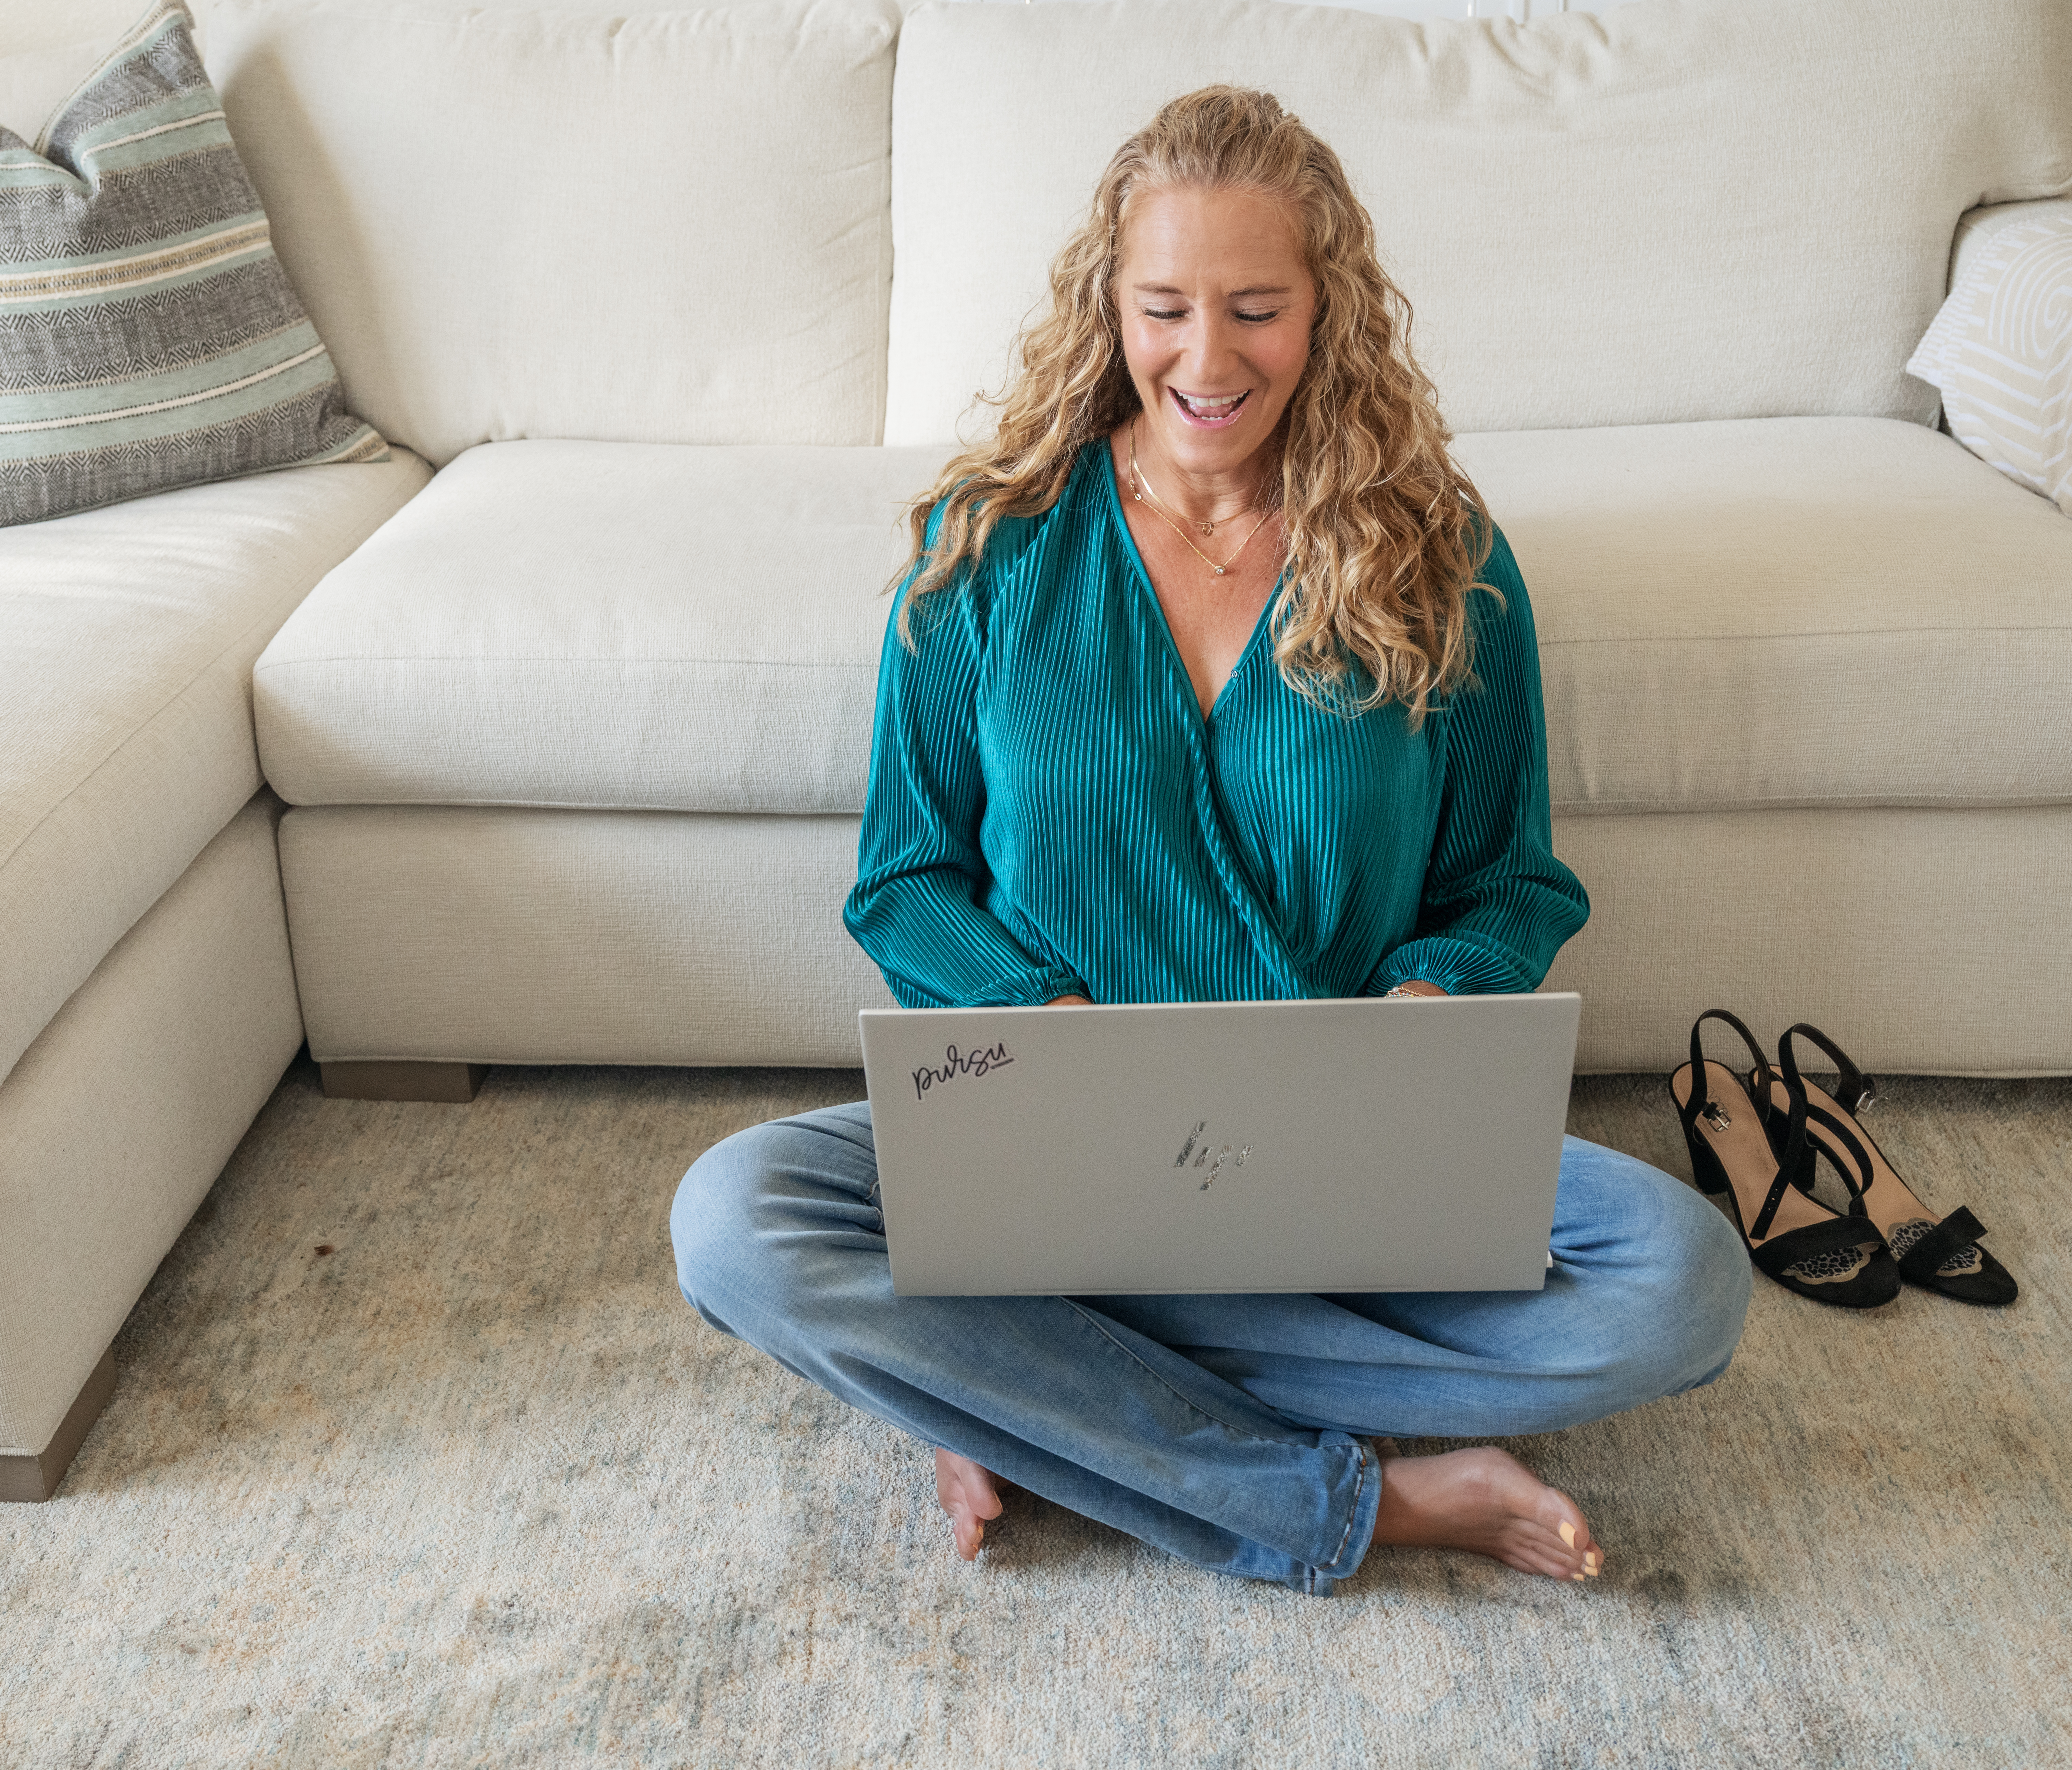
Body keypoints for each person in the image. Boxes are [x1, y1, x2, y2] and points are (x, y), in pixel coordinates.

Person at [669, 87, 1752, 1595]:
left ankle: (1018, 1386)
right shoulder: (986, 545)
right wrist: (1041, 1036)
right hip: (1053, 1143)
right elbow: (907, 877)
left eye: (1255, 309)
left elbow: (1508, 882)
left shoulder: (1441, 556)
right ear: (1105, 307)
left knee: (1680, 1285)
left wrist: (1418, 1026)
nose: (1204, 357)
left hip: (1346, 1157)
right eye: (1163, 307)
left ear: (1330, 311)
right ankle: (1359, 1495)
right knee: (733, 1220)